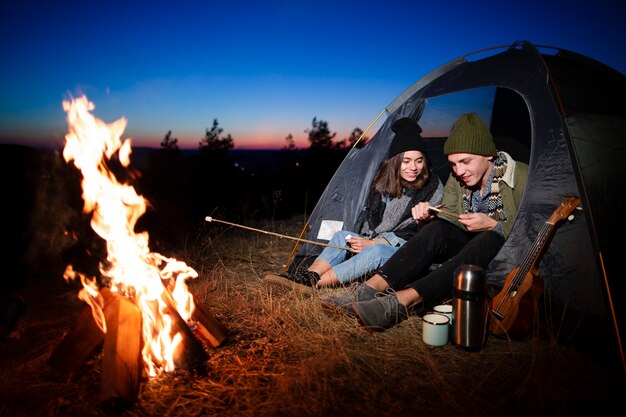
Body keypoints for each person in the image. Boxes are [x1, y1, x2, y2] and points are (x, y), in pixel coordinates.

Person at [323, 112, 529, 331]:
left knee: (487, 238)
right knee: (437, 228)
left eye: (465, 162)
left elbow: (531, 229)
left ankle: (401, 301)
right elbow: (451, 217)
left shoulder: (521, 177)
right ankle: (367, 290)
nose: (459, 171)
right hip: (464, 243)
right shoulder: (457, 178)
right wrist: (431, 215)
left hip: (500, 249)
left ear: (488, 155)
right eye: (453, 164)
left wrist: (492, 224)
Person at [264, 117, 444, 293]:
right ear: (395, 162)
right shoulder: (384, 182)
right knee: (343, 236)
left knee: (377, 251)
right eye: (406, 161)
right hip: (375, 239)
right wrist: (365, 240)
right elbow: (372, 221)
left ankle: (314, 284)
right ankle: (307, 275)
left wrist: (374, 242)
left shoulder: (432, 187)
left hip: (404, 249)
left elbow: (421, 236)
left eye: (419, 160)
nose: (413, 167)